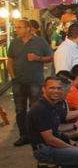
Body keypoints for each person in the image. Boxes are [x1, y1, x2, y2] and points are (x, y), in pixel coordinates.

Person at [26, 76, 78, 168]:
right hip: (45, 150)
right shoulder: (40, 109)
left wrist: (75, 144)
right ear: (43, 89)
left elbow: (57, 133)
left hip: (52, 146)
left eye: (58, 88)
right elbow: (50, 139)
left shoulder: (52, 105)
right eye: (52, 88)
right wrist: (74, 148)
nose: (56, 91)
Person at [9, 18, 54, 147]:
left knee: (35, 109)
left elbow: (50, 57)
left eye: (19, 27)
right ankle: (24, 135)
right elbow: (10, 60)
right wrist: (13, 76)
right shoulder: (14, 43)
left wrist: (38, 58)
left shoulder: (40, 41)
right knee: (20, 109)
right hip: (18, 80)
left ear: (28, 28)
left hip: (34, 80)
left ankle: (37, 135)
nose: (16, 30)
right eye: (16, 27)